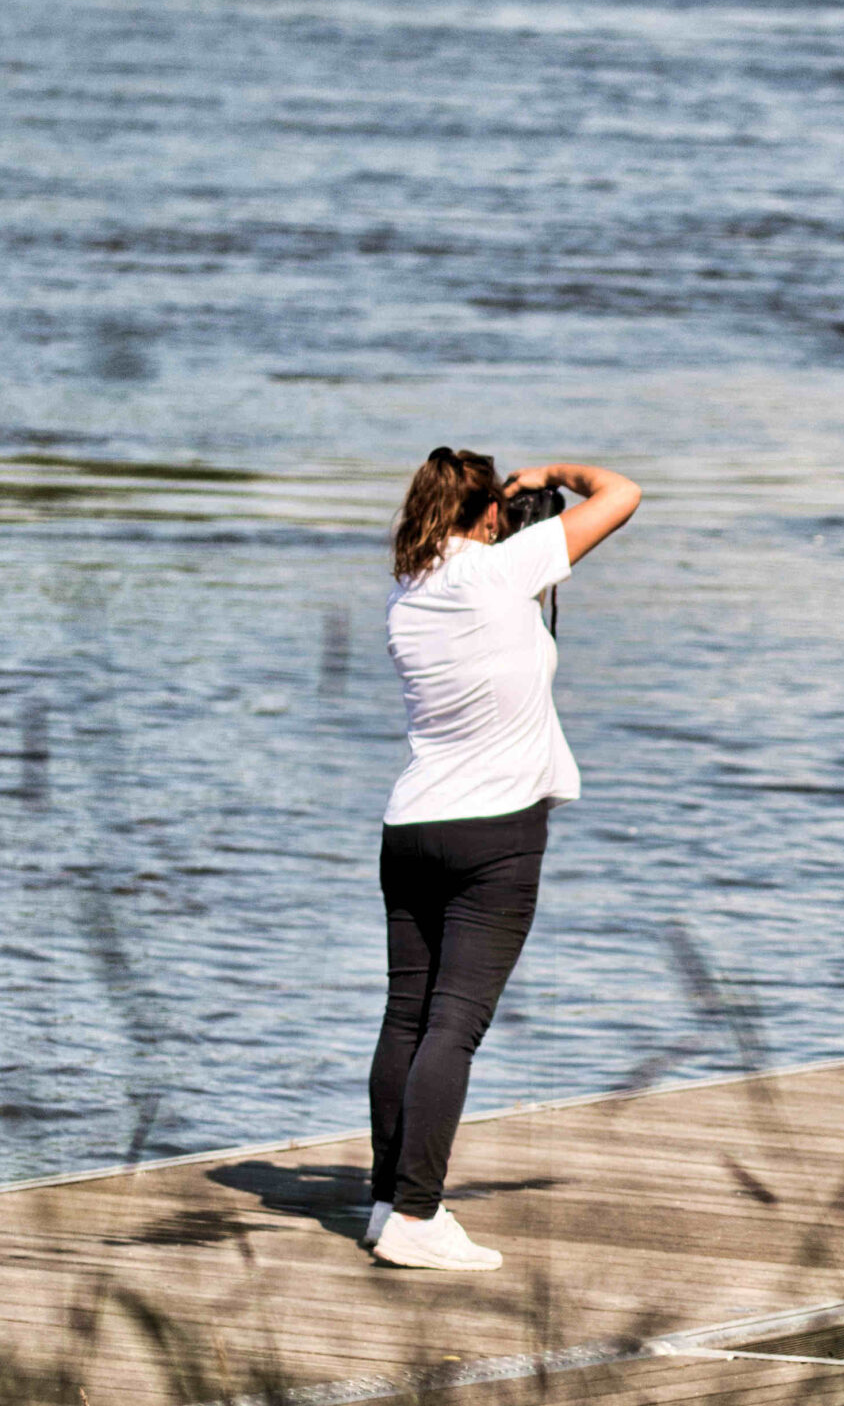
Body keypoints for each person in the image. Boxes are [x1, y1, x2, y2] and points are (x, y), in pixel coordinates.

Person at [363, 447, 641, 1271]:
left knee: (406, 1016)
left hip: (410, 826)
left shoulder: (404, 596)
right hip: (497, 834)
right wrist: (552, 471)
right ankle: (418, 1217)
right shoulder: (503, 569)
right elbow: (622, 494)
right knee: (455, 1022)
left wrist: (503, 506)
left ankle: (386, 1203)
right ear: (489, 512)